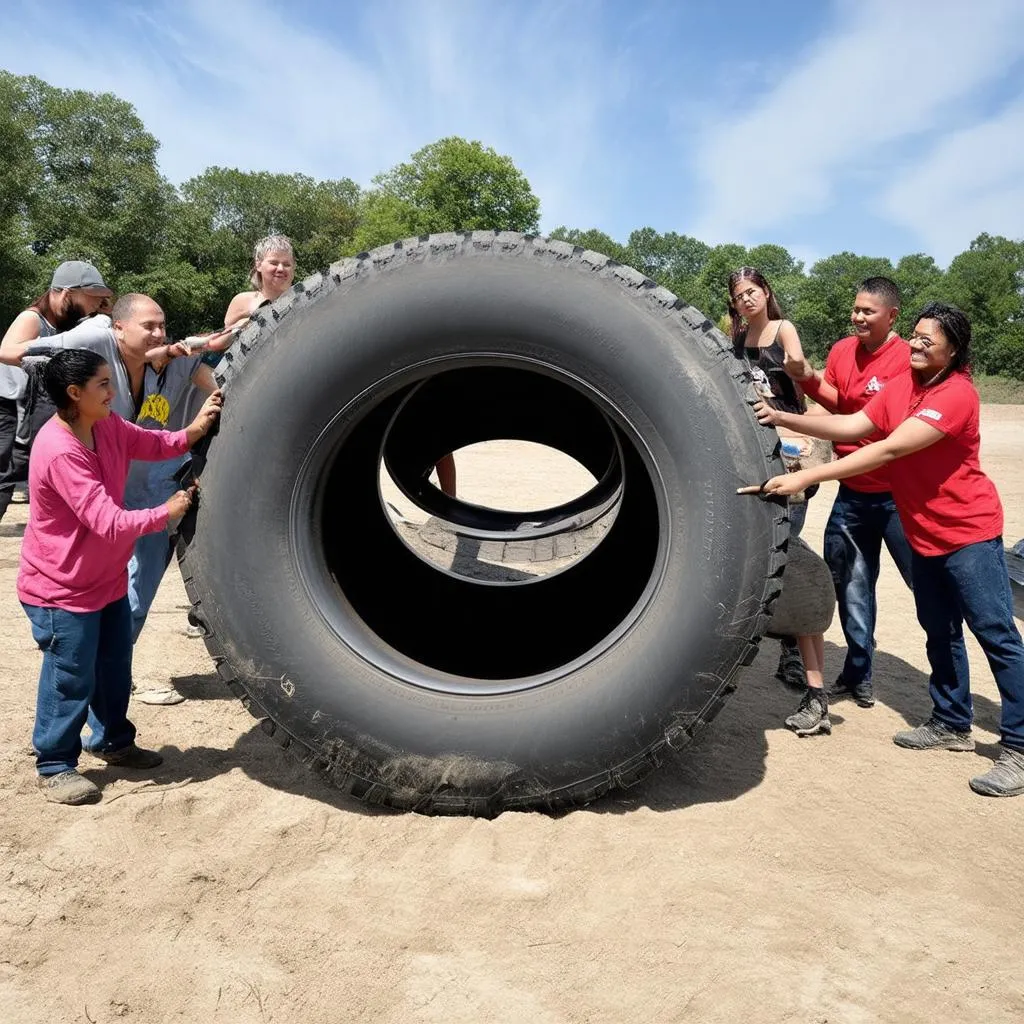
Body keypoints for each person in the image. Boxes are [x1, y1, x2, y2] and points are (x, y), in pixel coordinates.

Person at [742, 303, 1024, 797]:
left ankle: (1019, 748)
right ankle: (951, 722)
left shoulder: (957, 394)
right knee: (939, 629)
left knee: (996, 635)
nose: (915, 346)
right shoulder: (904, 387)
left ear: (952, 350)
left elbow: (888, 449)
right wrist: (783, 416)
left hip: (969, 534)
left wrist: (807, 475)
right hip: (926, 533)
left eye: (926, 341)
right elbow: (853, 426)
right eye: (914, 337)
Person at [1, 293, 235, 703]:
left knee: (135, 597)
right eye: (149, 326)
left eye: (162, 326)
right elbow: (14, 352)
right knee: (86, 629)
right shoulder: (92, 349)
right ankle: (75, 725)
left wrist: (207, 416)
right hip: (105, 509)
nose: (159, 334)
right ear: (117, 328)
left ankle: (111, 691)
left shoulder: (173, 364)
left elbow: (162, 433)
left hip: (149, 493)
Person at [19, 348, 222, 805]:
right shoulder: (60, 450)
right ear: (75, 393)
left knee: (113, 666)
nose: (114, 393)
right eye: (103, 386)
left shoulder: (105, 425)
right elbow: (106, 520)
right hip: (62, 589)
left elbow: (151, 443)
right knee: (69, 675)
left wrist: (196, 428)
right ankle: (54, 764)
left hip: (104, 579)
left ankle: (112, 741)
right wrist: (164, 513)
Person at [781, 277, 914, 709]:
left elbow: (880, 428)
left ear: (892, 316)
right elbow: (838, 403)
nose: (857, 317)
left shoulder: (904, 360)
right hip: (853, 494)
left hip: (899, 497)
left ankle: (950, 702)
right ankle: (859, 675)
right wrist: (809, 380)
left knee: (927, 590)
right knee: (851, 586)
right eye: (855, 309)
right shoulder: (842, 350)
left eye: (867, 312)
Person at [728, 267, 817, 690]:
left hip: (792, 447)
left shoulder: (783, 329)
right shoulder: (737, 341)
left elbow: (798, 365)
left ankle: (793, 655)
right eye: (739, 295)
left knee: (787, 544)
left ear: (766, 292)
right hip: (756, 447)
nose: (746, 299)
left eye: (752, 291)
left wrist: (798, 365)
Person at [0, 261, 113, 523]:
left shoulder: (65, 323)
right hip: (10, 409)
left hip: (30, 412)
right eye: (92, 298)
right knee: (5, 478)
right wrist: (53, 346)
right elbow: (6, 350)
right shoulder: (33, 318)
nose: (97, 305)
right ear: (66, 293)